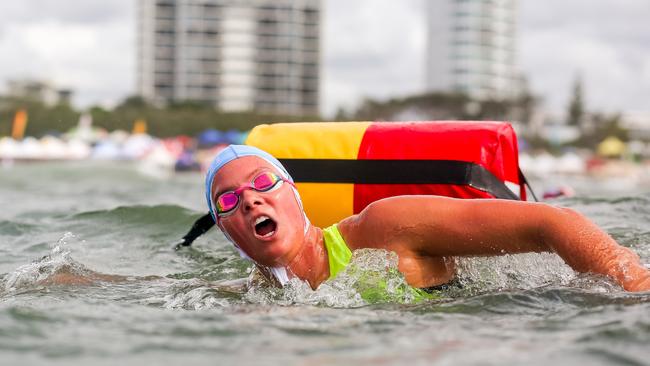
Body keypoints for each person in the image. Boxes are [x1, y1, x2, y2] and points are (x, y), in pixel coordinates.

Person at [206, 145, 650, 293]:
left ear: (294, 195)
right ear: (226, 230)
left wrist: (630, 284)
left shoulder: (382, 227)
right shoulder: (253, 298)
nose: (249, 202)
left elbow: (552, 223)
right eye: (227, 202)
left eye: (263, 183)